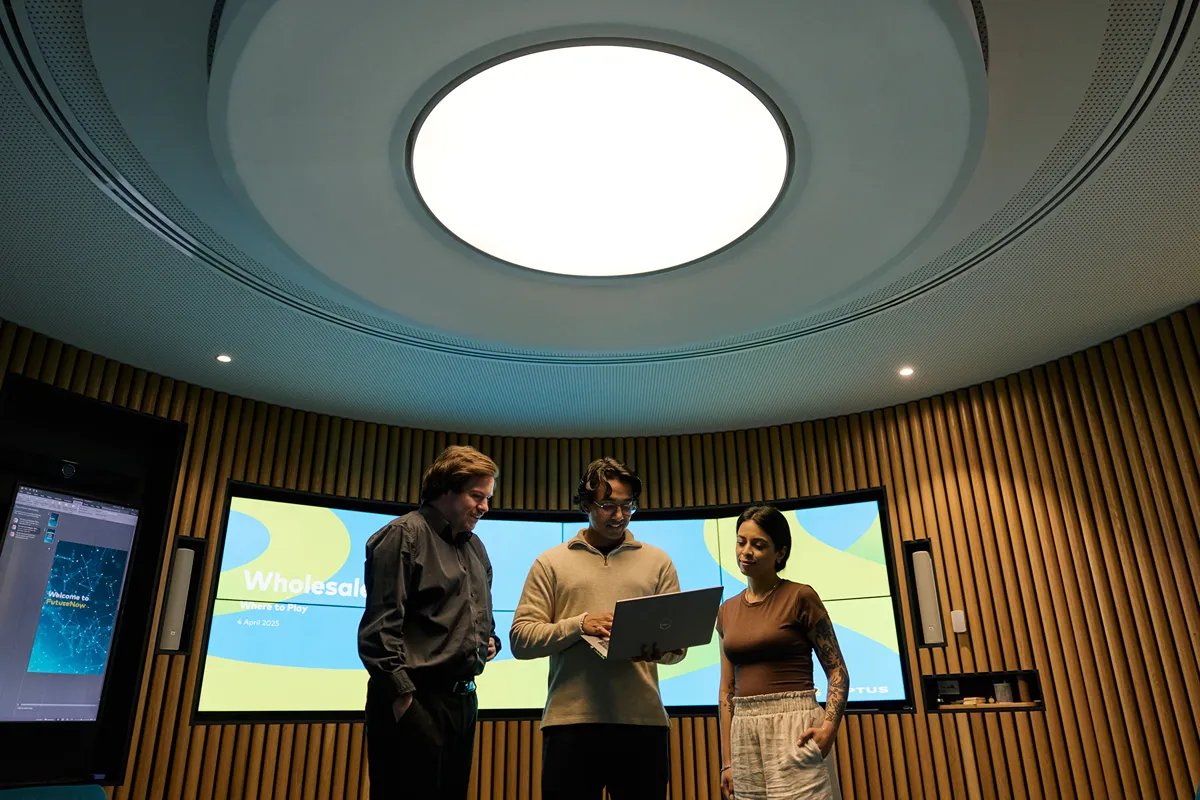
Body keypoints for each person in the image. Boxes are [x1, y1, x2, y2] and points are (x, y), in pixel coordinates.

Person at [509, 457, 685, 800]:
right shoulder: (551, 562)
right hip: (570, 724)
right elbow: (521, 639)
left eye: (627, 506)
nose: (619, 516)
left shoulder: (658, 561)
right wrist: (579, 625)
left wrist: (660, 648)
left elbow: (677, 651)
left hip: (643, 724)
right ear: (586, 505)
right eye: (608, 506)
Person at [357, 445, 501, 799]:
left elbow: (480, 617)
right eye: (476, 496)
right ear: (444, 489)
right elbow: (380, 630)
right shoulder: (403, 536)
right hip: (415, 700)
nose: (484, 507)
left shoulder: (475, 546)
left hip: (463, 702)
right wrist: (404, 701)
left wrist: (489, 641)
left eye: (487, 497)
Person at [717, 505, 849, 800]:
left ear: (780, 553)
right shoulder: (725, 611)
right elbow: (726, 691)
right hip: (744, 731)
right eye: (741, 541)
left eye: (758, 544)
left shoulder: (801, 596)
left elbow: (838, 670)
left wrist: (828, 728)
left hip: (795, 725)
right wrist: (727, 761)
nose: (746, 551)